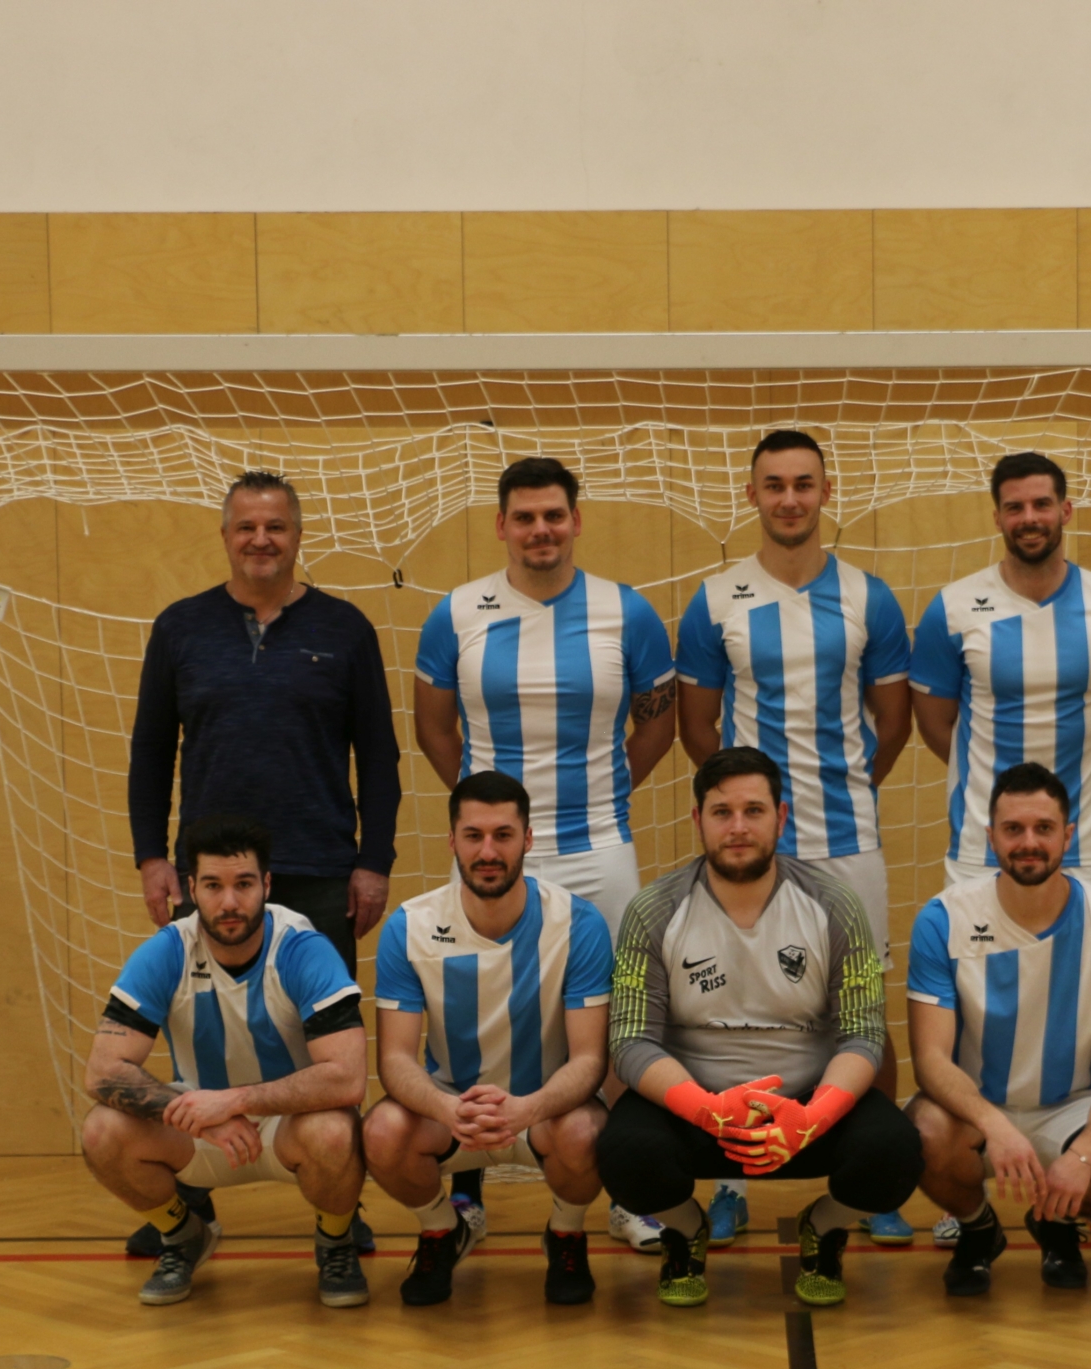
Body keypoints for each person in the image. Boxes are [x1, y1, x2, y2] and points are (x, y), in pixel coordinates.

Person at [122, 470, 397, 1260]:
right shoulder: (180, 628)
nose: (261, 540)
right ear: (226, 536)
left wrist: (373, 862)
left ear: (298, 535)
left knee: (326, 1047)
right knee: (197, 1033)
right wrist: (152, 856)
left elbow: (379, 756)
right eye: (246, 526)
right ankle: (190, 1196)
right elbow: (150, 751)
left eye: (276, 526)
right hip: (211, 878)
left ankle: (338, 1206)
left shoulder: (345, 629)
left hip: (319, 865)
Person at [412, 455, 677, 1253]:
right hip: (492, 858)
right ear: (501, 525)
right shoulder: (456, 613)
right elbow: (433, 726)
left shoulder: (626, 612)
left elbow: (658, 722)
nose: (540, 530)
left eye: (554, 514)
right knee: (468, 1014)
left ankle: (626, 1192)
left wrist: (603, 795)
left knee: (622, 1019)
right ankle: (466, 1192)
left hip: (598, 846)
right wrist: (492, 823)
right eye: (524, 517)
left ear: (576, 520)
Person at [908, 450, 1091, 1249]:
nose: (1029, 518)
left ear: (1066, 510)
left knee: (1087, 1012)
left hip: (1084, 848)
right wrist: (1009, 818)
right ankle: (968, 1178)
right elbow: (936, 724)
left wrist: (1067, 808)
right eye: (1014, 505)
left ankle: (1089, 1171)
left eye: (1042, 503)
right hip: (980, 851)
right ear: (997, 515)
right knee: (979, 1016)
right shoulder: (954, 607)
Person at [675, 429, 914, 1249]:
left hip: (848, 838)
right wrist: (750, 816)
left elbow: (893, 723)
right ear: (752, 495)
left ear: (824, 492)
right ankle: (732, 1177)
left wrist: (840, 790)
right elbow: (699, 728)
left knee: (862, 1007)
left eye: (803, 484)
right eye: (773, 484)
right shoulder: (714, 601)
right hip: (747, 849)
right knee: (733, 1008)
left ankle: (872, 1184)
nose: (789, 499)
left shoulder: (870, 598)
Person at [595, 747, 923, 1309]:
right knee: (622, 1152)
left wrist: (812, 1116)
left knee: (896, 1152)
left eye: (754, 810)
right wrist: (706, 1109)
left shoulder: (836, 904)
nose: (738, 827)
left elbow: (863, 1034)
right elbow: (630, 1041)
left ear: (781, 817)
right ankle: (685, 1230)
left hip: (806, 1111)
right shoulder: (653, 910)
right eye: (722, 812)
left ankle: (824, 1226)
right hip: (697, 1112)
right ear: (697, 820)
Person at [78, 815, 371, 1308]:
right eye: (213, 886)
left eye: (244, 884)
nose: (229, 902)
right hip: (201, 1128)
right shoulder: (168, 950)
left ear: (267, 886)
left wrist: (234, 1102)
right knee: (101, 1131)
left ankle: (336, 1240)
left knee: (335, 1131)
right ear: (192, 888)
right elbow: (102, 1070)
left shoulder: (302, 949)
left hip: (290, 1126)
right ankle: (183, 1236)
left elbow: (347, 1078)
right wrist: (201, 1115)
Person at [905, 764, 1091, 1294]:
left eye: (1044, 828)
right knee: (921, 1134)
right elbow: (930, 1059)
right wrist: (995, 1126)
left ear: (1068, 835)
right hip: (975, 1107)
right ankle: (978, 1229)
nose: (1028, 842)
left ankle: (1056, 1221)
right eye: (1013, 829)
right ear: (990, 837)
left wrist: (1083, 1155)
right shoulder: (943, 919)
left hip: (1070, 1106)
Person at [361, 773, 614, 1307]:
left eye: (503, 835)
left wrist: (528, 1108)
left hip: (546, 1108)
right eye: (473, 836)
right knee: (382, 1132)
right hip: (452, 1110)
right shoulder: (410, 925)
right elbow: (394, 1060)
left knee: (588, 1132)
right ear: (452, 841)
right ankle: (441, 1229)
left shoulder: (579, 924)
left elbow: (591, 1059)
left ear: (528, 839)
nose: (488, 852)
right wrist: (447, 1109)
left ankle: (566, 1233)